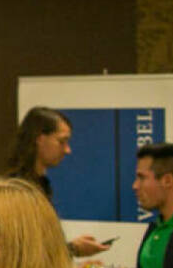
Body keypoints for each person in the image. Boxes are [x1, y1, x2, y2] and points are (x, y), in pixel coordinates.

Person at [7, 106, 108, 256]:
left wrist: (70, 248)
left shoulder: (40, 184)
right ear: (40, 139)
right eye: (62, 141)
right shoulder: (18, 190)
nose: (67, 150)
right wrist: (73, 249)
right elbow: (28, 252)